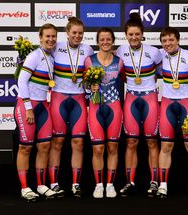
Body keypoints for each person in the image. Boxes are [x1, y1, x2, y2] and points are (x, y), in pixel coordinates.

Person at [157, 26, 188, 198]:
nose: (168, 43)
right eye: (164, 41)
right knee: (165, 145)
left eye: (171, 40)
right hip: (167, 104)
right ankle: (162, 185)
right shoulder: (160, 55)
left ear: (178, 40)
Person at [116, 13, 162, 197]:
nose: (134, 37)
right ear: (126, 35)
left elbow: (161, 72)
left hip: (150, 98)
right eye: (130, 35)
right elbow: (118, 74)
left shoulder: (153, 51)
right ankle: (129, 182)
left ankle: (154, 182)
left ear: (142, 34)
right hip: (131, 99)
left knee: (152, 141)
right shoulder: (120, 51)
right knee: (131, 142)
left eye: (137, 34)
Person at [48, 17, 94, 198]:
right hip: (59, 98)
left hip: (79, 100)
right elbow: (41, 59)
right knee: (57, 142)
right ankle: (54, 183)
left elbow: (93, 73)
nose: (77, 36)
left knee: (78, 142)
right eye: (74, 33)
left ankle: (75, 184)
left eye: (80, 33)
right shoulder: (56, 47)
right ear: (67, 33)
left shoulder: (88, 49)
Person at [14, 23, 57, 202]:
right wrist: (28, 107)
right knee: (25, 147)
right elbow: (22, 81)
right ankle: (25, 188)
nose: (50, 39)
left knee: (45, 146)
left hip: (44, 106)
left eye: (53, 36)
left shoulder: (51, 58)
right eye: (47, 36)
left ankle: (41, 185)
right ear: (40, 37)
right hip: (28, 105)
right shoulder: (34, 56)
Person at [84, 28, 124, 198]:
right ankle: (99, 185)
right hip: (96, 108)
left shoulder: (120, 61)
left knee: (112, 147)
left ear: (113, 41)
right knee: (98, 149)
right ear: (98, 41)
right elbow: (84, 84)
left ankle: (110, 185)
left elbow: (128, 80)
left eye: (108, 39)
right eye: (102, 39)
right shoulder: (89, 60)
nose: (105, 42)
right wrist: (90, 86)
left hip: (114, 108)